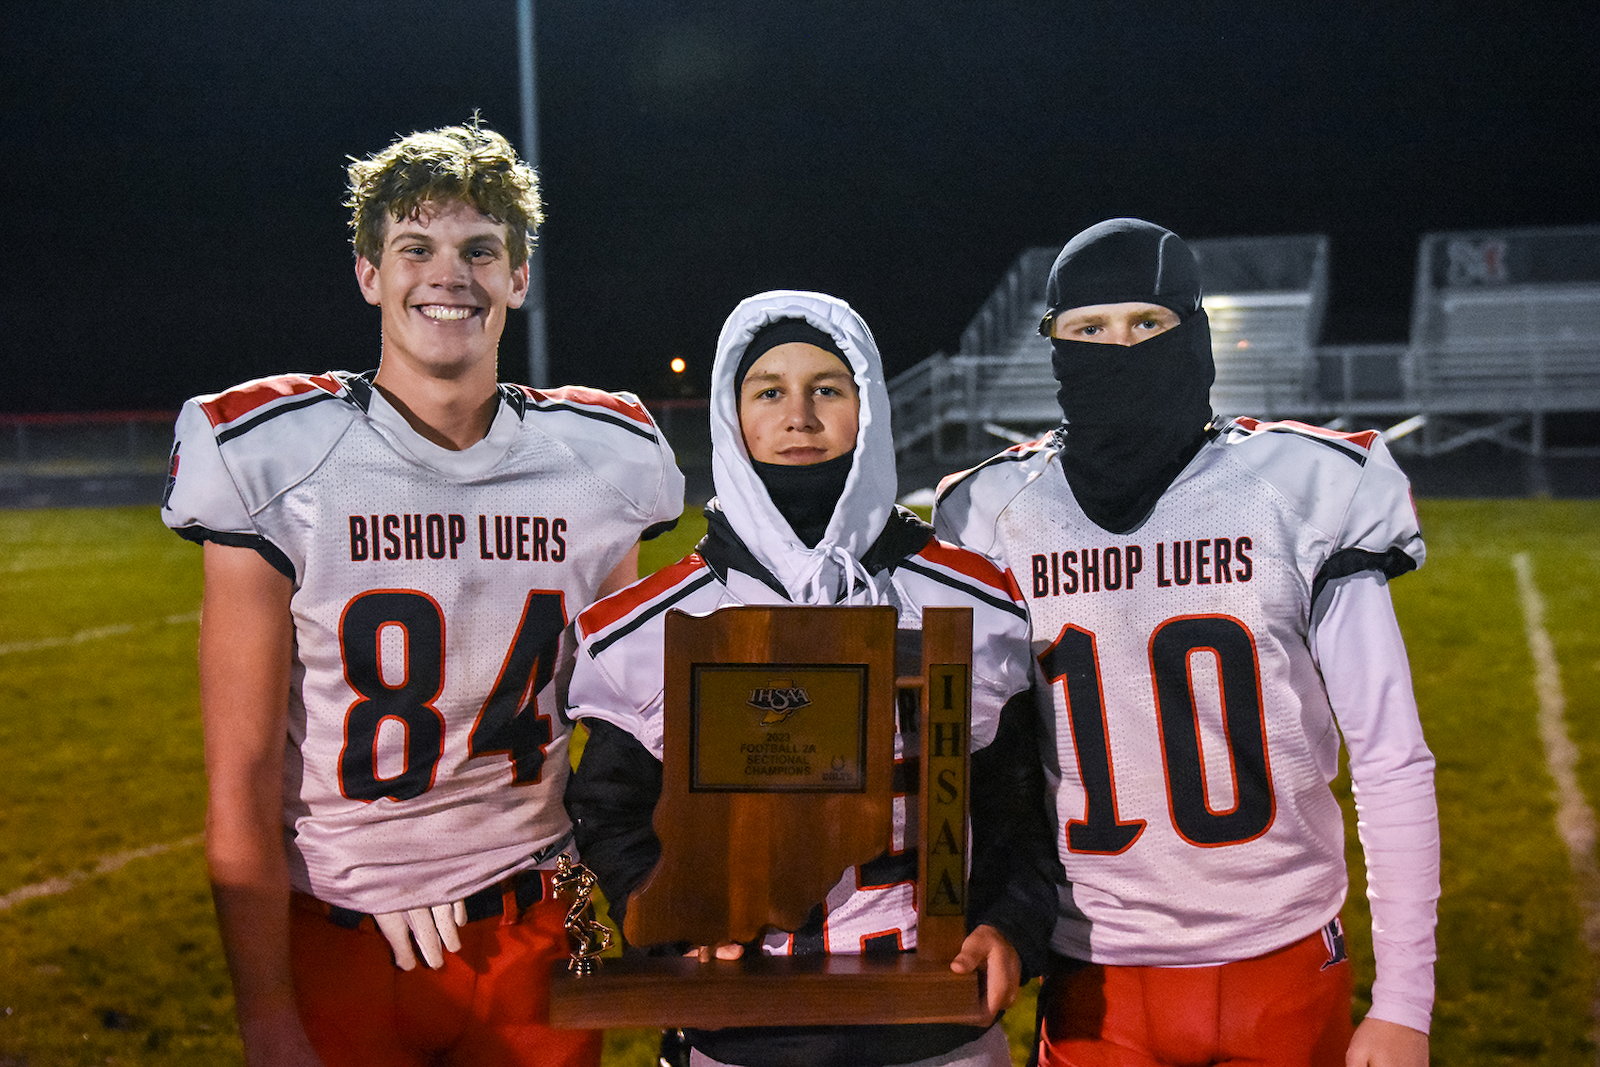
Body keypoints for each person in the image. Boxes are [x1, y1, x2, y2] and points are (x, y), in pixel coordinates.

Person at [161, 120, 684, 1067]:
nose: (450, 275)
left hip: (537, 916)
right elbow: (239, 779)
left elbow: (629, 720)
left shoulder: (600, 460)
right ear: (369, 273)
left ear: (518, 277)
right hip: (341, 921)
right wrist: (267, 1016)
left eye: (480, 249)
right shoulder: (280, 455)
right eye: (416, 248)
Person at [933, 219, 1439, 1067]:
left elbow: (1391, 757)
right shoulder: (991, 512)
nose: (1119, 347)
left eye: (1147, 322)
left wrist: (1405, 1001)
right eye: (1090, 328)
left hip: (1281, 956)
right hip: (1096, 970)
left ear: (1192, 330)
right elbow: (967, 759)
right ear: (1053, 342)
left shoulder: (1297, 488)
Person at [563, 290, 1059, 1067]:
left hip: (935, 1029)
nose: (798, 416)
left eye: (827, 388)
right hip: (742, 1036)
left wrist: (1009, 925)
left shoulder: (973, 597)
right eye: (769, 392)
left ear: (870, 408)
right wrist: (670, 922)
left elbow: (1018, 810)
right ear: (733, 416)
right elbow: (611, 809)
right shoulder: (657, 619)